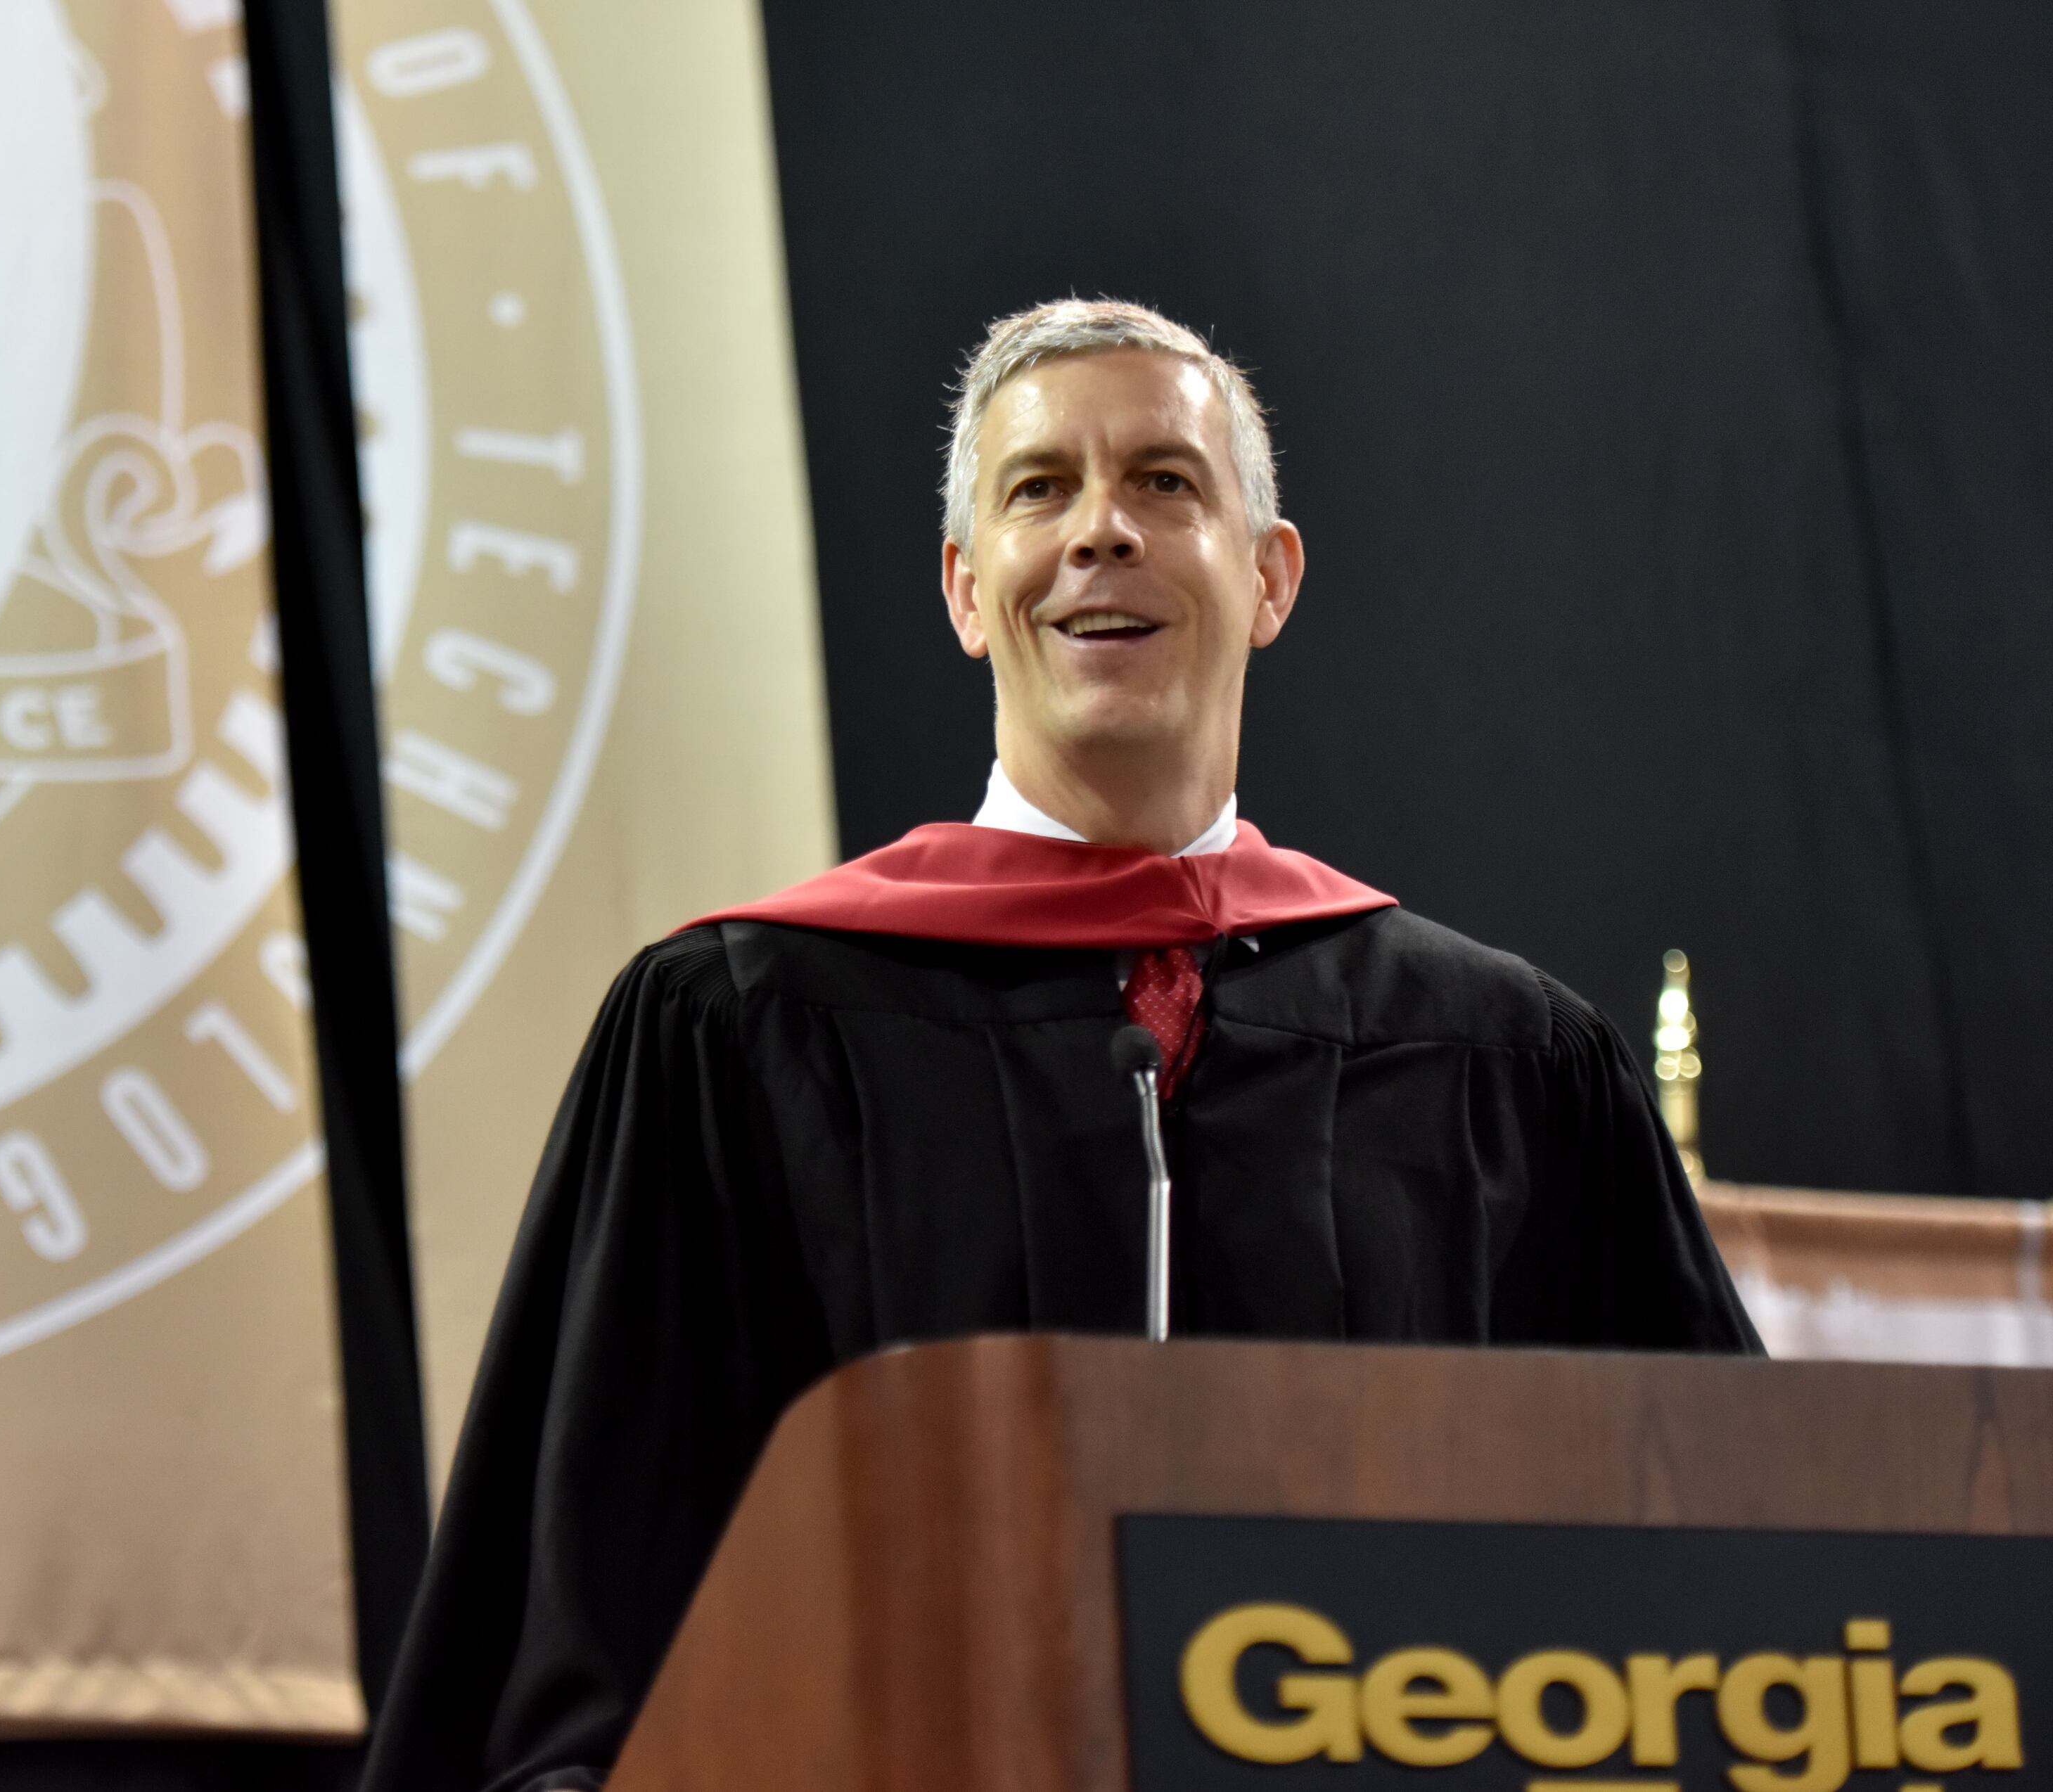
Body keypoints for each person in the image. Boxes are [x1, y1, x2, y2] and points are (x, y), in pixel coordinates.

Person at [359, 298, 1758, 1792]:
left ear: (1270, 576)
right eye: (1041, 489)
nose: (1102, 530)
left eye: (1167, 480)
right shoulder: (739, 1029)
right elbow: (592, 1630)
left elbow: (1718, 1599)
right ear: (968, 589)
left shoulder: (1507, 1070)